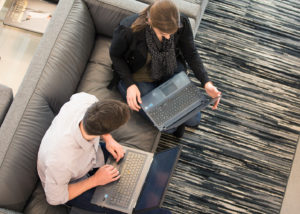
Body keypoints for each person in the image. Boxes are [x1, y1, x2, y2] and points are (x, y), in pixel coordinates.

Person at [110, 0, 221, 138]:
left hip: (169, 69)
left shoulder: (182, 22)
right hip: (139, 75)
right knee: (168, 127)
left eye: (171, 33)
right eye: (163, 33)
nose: (169, 38)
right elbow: (115, 56)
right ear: (150, 21)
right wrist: (129, 85)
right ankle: (126, 87)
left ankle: (173, 112)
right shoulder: (128, 29)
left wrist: (206, 82)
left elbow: (191, 53)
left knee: (194, 120)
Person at [37, 92, 130, 213]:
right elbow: (54, 198)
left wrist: (109, 139)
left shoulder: (86, 101)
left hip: (92, 156)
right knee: (125, 205)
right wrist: (95, 180)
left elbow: (83, 99)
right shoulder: (61, 161)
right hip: (71, 185)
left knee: (132, 163)